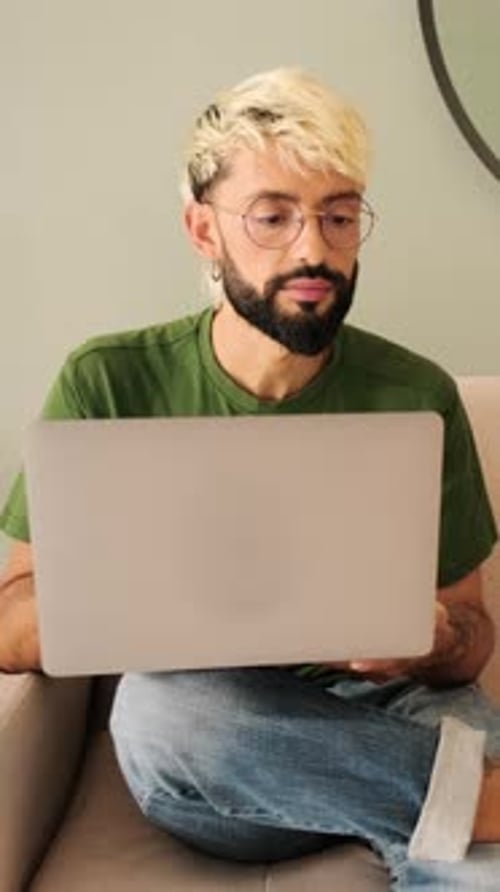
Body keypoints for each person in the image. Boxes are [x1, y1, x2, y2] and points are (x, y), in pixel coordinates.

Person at [0, 68, 499, 889]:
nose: (313, 250)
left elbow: (471, 640)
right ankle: (473, 799)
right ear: (203, 229)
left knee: (469, 813)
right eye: (273, 217)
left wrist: (432, 638)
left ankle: (445, 804)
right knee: (161, 714)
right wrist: (134, 601)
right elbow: (12, 625)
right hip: (215, 747)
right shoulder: (108, 381)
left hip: (390, 713)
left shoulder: (417, 394)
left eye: (339, 216)